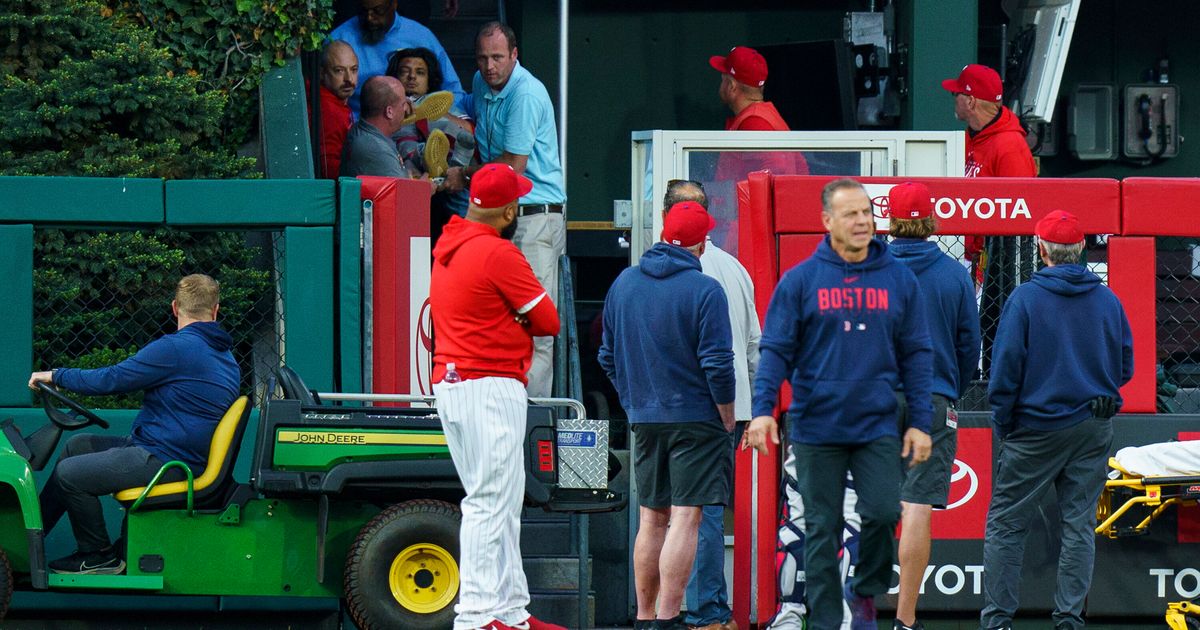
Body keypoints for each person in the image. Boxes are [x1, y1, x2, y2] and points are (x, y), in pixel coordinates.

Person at [744, 178, 934, 630]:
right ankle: (828, 622)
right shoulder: (801, 281)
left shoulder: (899, 278)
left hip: (877, 427)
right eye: (851, 214)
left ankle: (864, 597)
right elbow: (775, 351)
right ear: (827, 221)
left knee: (885, 513)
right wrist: (762, 411)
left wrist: (921, 422)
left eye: (867, 212)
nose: (862, 221)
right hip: (816, 428)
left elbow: (918, 354)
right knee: (822, 529)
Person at [981, 210, 1132, 630]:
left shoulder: (1025, 298)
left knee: (1007, 526)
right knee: (1079, 525)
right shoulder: (1107, 299)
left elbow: (1005, 370)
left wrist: (1005, 422)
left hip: (1033, 427)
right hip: (1091, 425)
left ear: (1041, 250)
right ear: (1082, 248)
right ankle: (1069, 620)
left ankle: (998, 622)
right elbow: (1125, 366)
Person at [29, 274, 239, 574]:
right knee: (77, 446)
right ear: (216, 311)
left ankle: (98, 555)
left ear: (175, 308)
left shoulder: (178, 349)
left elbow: (112, 378)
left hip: (168, 460)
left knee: (68, 474)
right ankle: (30, 543)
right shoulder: (224, 355)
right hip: (172, 451)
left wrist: (55, 375)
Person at [430, 162, 563, 630]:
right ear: (508, 211)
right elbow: (549, 320)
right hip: (487, 384)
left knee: (500, 500)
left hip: (455, 383)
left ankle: (510, 612)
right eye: (517, 203)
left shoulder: (449, 244)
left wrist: (509, 318)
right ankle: (478, 615)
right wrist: (518, 321)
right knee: (490, 502)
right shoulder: (495, 253)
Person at [599, 200, 737, 630]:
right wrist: (728, 416)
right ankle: (668, 617)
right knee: (686, 515)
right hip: (697, 419)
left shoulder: (624, 283)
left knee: (651, 516)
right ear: (700, 245)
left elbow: (607, 356)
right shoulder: (706, 290)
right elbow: (718, 363)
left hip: (646, 418)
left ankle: (644, 618)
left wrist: (634, 400)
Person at [443, 21, 565, 399]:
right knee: (498, 317)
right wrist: (424, 110)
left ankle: (532, 421)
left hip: (532, 217)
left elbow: (512, 166)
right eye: (482, 58)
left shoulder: (526, 93)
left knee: (536, 327)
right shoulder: (481, 82)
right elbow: (455, 107)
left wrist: (461, 175)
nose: (489, 66)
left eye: (497, 57)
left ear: (515, 55)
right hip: (501, 219)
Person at [661, 181, 759, 630]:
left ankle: (700, 612)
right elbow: (755, 347)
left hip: (684, 406)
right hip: (729, 408)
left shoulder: (663, 271)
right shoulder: (734, 268)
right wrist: (751, 407)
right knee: (705, 511)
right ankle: (704, 610)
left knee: (679, 513)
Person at [887, 182, 981, 630]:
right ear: (931, 222)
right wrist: (950, 390)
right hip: (931, 398)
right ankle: (905, 621)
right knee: (916, 506)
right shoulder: (953, 274)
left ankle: (860, 612)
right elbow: (970, 346)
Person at [706, 46, 807, 252]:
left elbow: (776, 176)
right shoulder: (763, 116)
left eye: (723, 78)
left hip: (751, 233)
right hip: (751, 229)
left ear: (732, 86)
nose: (721, 83)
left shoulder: (755, 122)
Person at [387, 46, 476, 243]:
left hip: (447, 187)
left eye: (420, 72)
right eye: (405, 71)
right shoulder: (384, 105)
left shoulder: (441, 103)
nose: (412, 77)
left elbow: (468, 132)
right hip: (409, 186)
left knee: (438, 125)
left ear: (429, 81)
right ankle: (426, 157)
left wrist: (428, 115)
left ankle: (446, 164)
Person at [329, 0, 465, 116]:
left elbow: (453, 89)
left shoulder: (421, 36)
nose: (370, 18)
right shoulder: (339, 39)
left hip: (419, 122)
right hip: (361, 127)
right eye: (364, 11)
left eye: (378, 10)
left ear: (394, 4)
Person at [339, 76, 411, 178]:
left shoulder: (362, 130)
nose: (406, 109)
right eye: (403, 104)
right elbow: (406, 193)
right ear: (389, 112)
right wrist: (428, 185)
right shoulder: (375, 148)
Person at [315, 40, 359, 179]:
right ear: (322, 73)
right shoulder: (328, 110)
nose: (349, 79)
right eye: (339, 71)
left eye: (354, 69)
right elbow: (329, 168)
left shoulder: (336, 102)